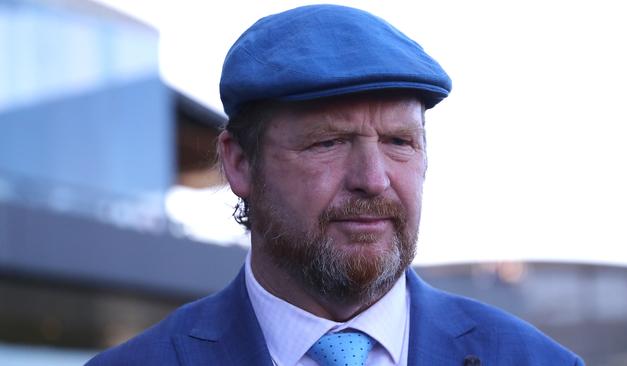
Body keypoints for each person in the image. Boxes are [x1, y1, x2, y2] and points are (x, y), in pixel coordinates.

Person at [87, 4, 584, 366]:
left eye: (398, 141)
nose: (372, 179)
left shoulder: (535, 361)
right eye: (328, 143)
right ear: (239, 164)